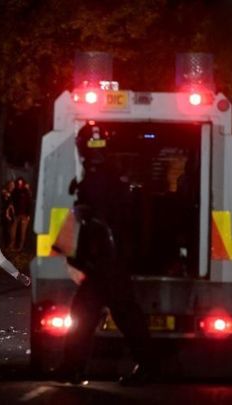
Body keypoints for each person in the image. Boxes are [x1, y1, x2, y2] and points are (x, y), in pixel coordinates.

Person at [57, 125, 154, 386]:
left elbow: (94, 223)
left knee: (89, 314)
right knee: (116, 314)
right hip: (110, 262)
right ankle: (73, 368)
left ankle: (73, 369)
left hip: (104, 263)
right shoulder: (108, 175)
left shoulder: (95, 179)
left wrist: (80, 254)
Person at [8, 177, 33, 251]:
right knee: (13, 230)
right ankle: (12, 244)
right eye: (18, 183)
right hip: (16, 214)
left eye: (21, 183)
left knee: (23, 231)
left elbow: (29, 204)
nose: (20, 184)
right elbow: (12, 202)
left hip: (25, 214)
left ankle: (20, 247)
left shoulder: (26, 192)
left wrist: (28, 215)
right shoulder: (15, 191)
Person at [1, 180, 16, 247]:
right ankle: (6, 244)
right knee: (6, 229)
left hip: (11, 214)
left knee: (10, 229)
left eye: (13, 185)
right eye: (11, 185)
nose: (12, 186)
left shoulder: (14, 193)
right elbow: (8, 204)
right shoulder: (6, 193)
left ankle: (9, 244)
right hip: (6, 214)